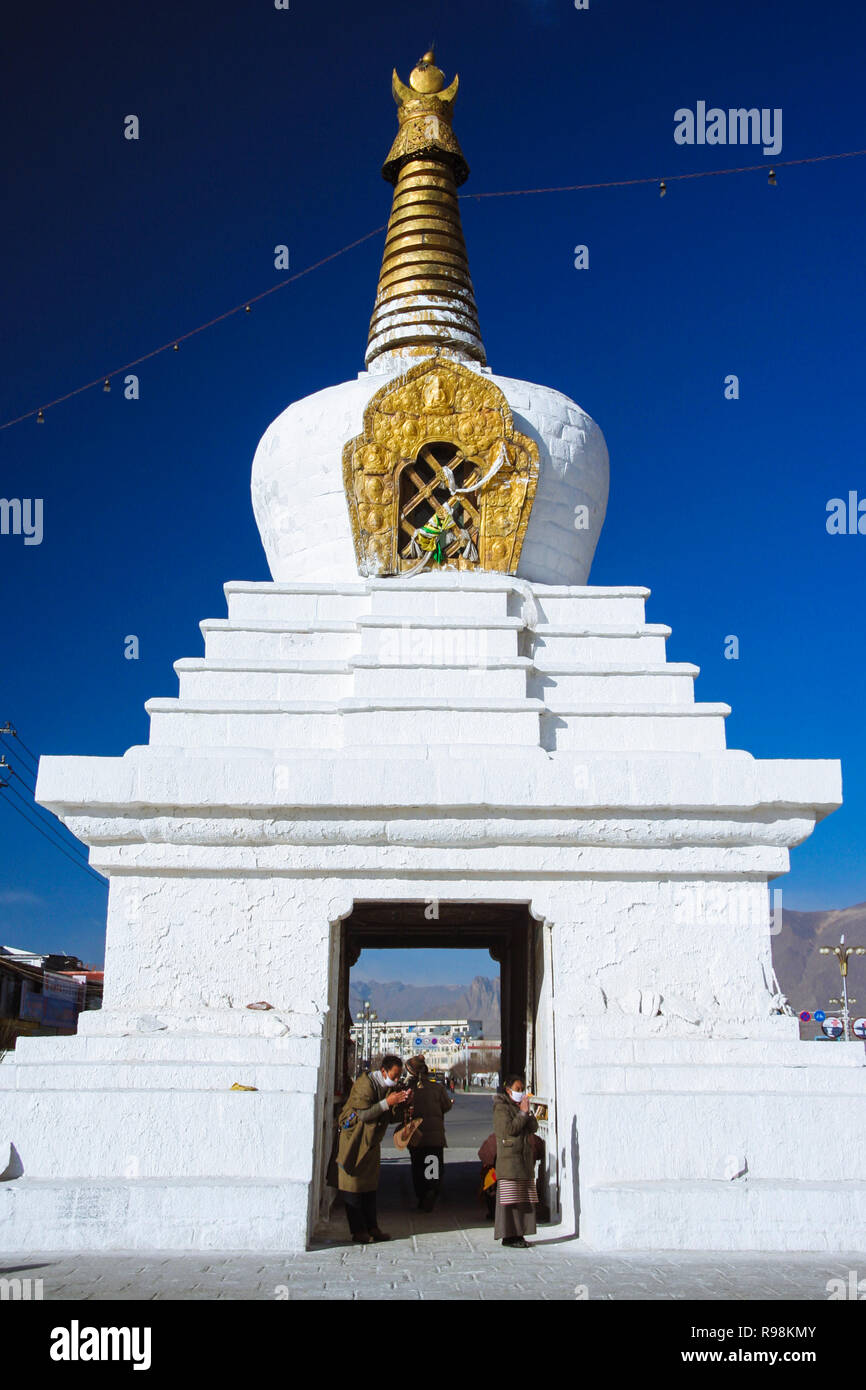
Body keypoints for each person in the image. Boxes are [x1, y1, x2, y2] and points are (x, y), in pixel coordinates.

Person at [336, 1055, 411, 1244]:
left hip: (371, 1143)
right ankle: (358, 1230)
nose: (395, 1080)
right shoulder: (365, 1084)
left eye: (398, 1077)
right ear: (383, 1071)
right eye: (393, 1076)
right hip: (354, 1141)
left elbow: (390, 1117)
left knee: (369, 1188)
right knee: (352, 1186)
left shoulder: (389, 1088)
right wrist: (388, 1102)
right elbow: (364, 1113)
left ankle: (372, 1227)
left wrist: (402, 1104)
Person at [492, 1075, 539, 1249]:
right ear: (508, 1090)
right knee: (510, 1200)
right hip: (510, 1160)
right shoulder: (501, 1107)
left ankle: (520, 1234)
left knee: (523, 1200)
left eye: (522, 1089)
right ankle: (509, 1236)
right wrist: (521, 1113)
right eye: (518, 1089)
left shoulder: (520, 1106)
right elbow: (508, 1129)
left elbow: (532, 1127)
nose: (521, 1093)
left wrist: (527, 1111)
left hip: (524, 1160)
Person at [404, 1055, 453, 1211]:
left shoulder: (407, 1090)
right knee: (433, 1166)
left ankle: (422, 1195)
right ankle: (432, 1191)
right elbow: (446, 1106)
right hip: (435, 1137)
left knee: (417, 1167)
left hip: (416, 1136)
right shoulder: (437, 1088)